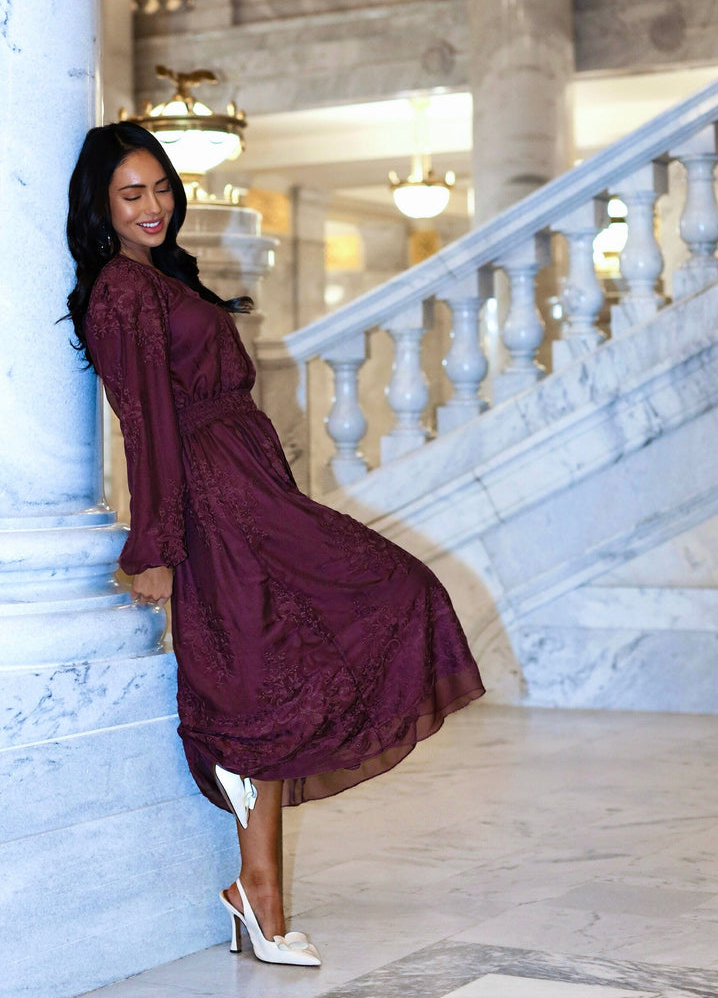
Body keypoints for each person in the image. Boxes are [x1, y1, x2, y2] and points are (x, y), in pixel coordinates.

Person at [65, 121, 485, 968]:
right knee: (336, 628)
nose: (153, 205)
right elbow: (146, 424)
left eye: (161, 187)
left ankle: (255, 891)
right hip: (219, 500)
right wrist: (155, 546)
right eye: (131, 193)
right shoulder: (121, 290)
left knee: (275, 672)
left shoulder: (161, 276)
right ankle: (258, 893)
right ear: (101, 207)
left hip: (249, 487)